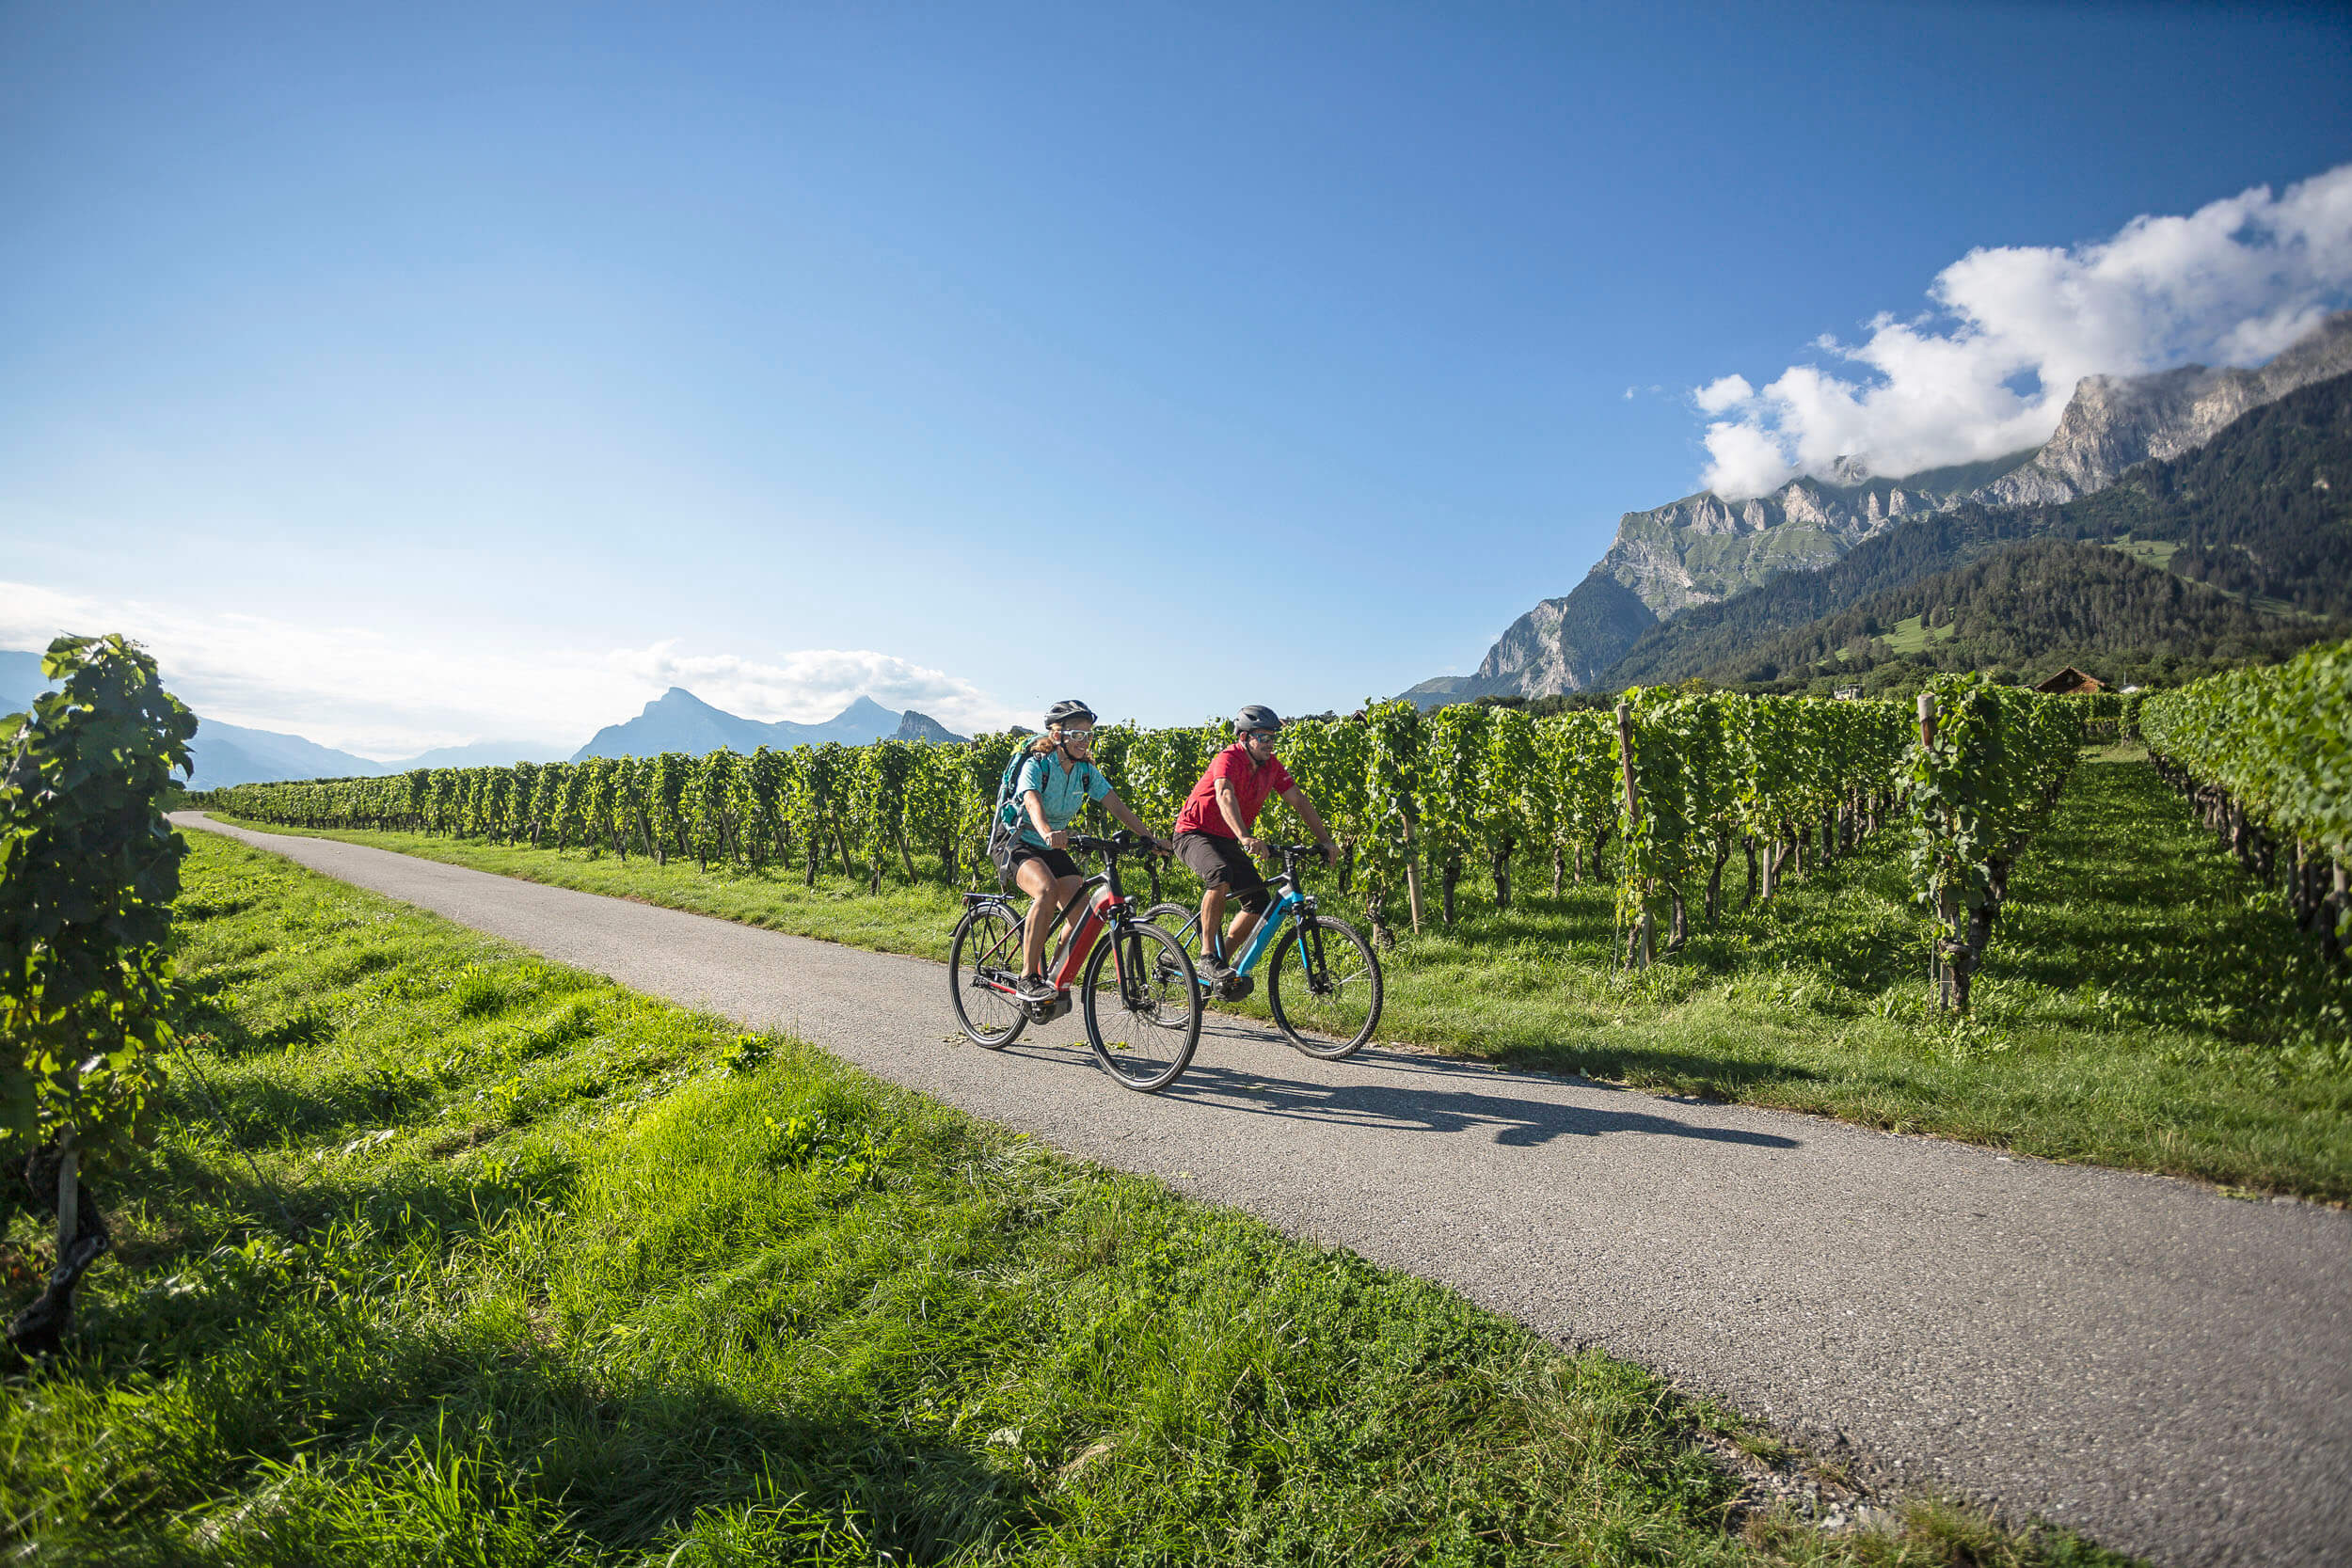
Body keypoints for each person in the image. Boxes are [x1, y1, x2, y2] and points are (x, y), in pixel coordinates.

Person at [1001, 700, 1168, 1003]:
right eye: (1077, 734)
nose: (1084, 741)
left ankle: (1052, 976)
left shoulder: (1086, 772)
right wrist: (1048, 832)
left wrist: (1149, 837)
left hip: (1052, 844)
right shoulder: (1036, 765)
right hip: (1018, 841)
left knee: (1081, 915)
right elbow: (1032, 802)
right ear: (1057, 736)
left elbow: (1115, 804)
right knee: (1047, 891)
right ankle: (1028, 977)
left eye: (1088, 735)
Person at [1170, 705, 1338, 985]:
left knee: (1258, 901)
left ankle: (1220, 967)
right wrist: (1245, 836)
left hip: (1225, 837)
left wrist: (1325, 840)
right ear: (1244, 737)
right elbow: (1224, 794)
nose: (1269, 744)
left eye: (1273, 738)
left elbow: (1299, 800)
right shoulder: (1228, 758)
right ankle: (1207, 955)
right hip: (1193, 832)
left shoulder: (1271, 766)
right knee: (1219, 874)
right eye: (1263, 737)